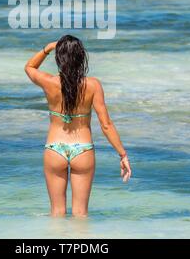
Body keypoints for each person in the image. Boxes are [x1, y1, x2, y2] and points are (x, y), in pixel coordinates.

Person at [24, 34, 131, 217]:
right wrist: (122, 154)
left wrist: (47, 48)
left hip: (54, 149)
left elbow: (29, 67)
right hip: (83, 150)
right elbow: (106, 125)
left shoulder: (49, 82)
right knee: (80, 214)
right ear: (81, 58)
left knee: (57, 213)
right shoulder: (92, 85)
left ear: (59, 57)